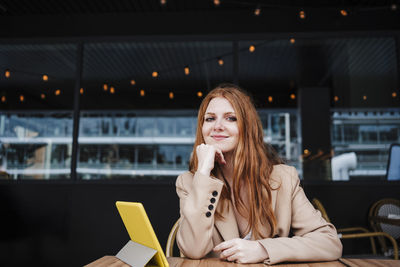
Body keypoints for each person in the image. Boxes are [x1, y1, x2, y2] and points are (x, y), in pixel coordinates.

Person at [175, 83, 342, 265]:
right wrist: (204, 172)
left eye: (231, 118)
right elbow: (192, 250)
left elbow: (330, 243)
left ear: (248, 127)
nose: (217, 126)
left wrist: (263, 249)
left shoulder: (284, 178)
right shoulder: (190, 182)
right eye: (210, 119)